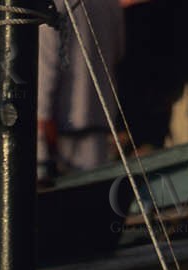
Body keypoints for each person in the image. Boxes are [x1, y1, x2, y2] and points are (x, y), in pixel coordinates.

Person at [37, 0, 125, 175]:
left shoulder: (52, 4)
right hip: (99, 123)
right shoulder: (111, 4)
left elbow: (47, 69)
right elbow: (119, 53)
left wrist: (42, 117)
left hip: (59, 127)